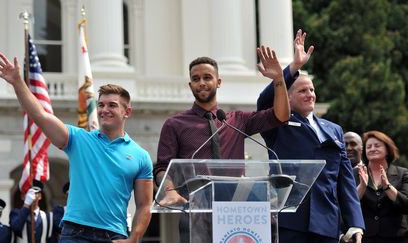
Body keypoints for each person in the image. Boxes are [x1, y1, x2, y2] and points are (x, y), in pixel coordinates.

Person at [0, 54, 153, 242]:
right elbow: (40, 115)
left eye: (112, 105)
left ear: (127, 112)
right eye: (100, 105)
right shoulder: (78, 139)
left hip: (114, 235)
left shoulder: (141, 156)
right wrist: (18, 82)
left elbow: (144, 205)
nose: (103, 110)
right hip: (75, 234)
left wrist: (134, 239)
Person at [153, 45, 290, 242]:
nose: (201, 83)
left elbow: (281, 116)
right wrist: (170, 191)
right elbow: (162, 167)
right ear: (190, 85)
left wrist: (279, 79)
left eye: (207, 77)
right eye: (196, 79)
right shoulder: (175, 124)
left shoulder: (236, 120)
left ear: (218, 82)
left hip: (237, 210)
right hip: (196, 211)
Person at [257, 30, 364, 243]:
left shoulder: (333, 130)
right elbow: (264, 103)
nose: (310, 94)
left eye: (312, 90)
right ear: (287, 97)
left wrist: (355, 223)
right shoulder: (279, 124)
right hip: (290, 222)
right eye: (303, 91)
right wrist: (293, 67)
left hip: (327, 223)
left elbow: (345, 181)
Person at [356, 130, 408, 243]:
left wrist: (388, 187)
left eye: (377, 145)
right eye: (368, 146)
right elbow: (347, 205)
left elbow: (406, 205)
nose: (372, 149)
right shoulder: (355, 174)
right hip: (364, 238)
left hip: (397, 237)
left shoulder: (403, 173)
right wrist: (362, 187)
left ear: (387, 150)